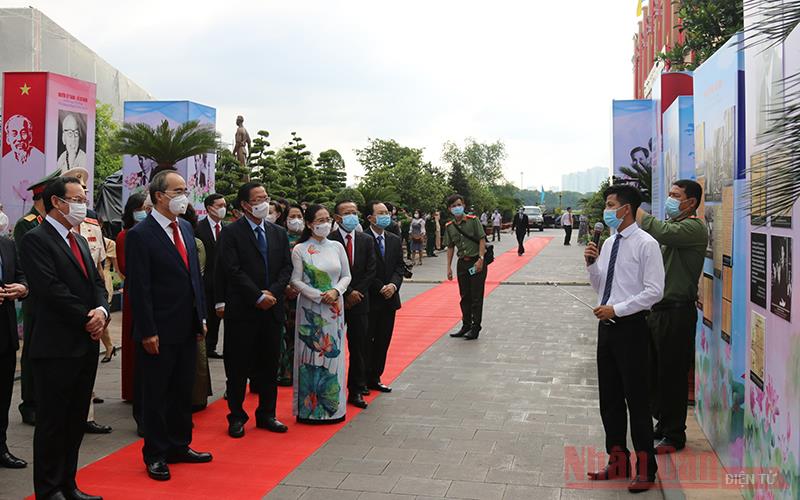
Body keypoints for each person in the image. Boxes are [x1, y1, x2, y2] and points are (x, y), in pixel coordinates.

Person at [20, 176, 108, 500]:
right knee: (53, 422)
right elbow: (50, 289)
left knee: (74, 421)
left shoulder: (80, 239)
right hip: (56, 346)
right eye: (78, 197)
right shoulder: (36, 239)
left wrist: (101, 310)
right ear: (57, 202)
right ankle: (48, 488)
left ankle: (68, 484)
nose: (83, 203)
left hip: (85, 344)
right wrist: (88, 318)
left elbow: (97, 283)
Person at [125, 170, 211, 481]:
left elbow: (194, 279)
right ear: (160, 196)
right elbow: (139, 288)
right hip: (158, 329)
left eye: (185, 189)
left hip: (187, 325)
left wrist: (201, 316)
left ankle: (179, 444)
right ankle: (156, 453)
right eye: (178, 190)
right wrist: (147, 330)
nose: (184, 195)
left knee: (181, 390)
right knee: (156, 393)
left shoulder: (187, 227)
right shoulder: (140, 234)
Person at [583, 184, 663, 493]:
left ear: (625, 209)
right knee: (611, 400)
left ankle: (646, 469)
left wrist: (617, 308)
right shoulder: (608, 242)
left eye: (609, 204)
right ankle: (617, 461)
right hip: (607, 329)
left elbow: (654, 291)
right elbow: (603, 285)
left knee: (637, 402)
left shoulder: (647, 244)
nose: (606, 210)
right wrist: (591, 266)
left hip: (632, 329)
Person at [215, 182, 293, 437]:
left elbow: (285, 267)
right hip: (243, 310)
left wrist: (273, 292)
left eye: (266, 197)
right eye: (258, 199)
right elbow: (231, 270)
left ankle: (267, 414)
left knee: (269, 365)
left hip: (272, 309)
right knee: (237, 366)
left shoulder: (278, 232)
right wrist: (257, 295)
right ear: (246, 205)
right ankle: (236, 416)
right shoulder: (231, 233)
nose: (264, 203)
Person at [636, 179, 707, 454]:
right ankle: (663, 424)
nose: (670, 199)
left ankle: (675, 434)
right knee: (655, 372)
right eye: (669, 194)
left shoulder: (693, 228)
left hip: (677, 313)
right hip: (659, 312)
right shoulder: (677, 228)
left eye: (676, 196)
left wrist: (635, 208)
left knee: (673, 375)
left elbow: (660, 230)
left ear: (690, 203)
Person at [290, 205, 351, 424]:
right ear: (309, 224)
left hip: (335, 307)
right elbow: (295, 280)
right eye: (320, 220)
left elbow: (346, 275)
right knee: (310, 353)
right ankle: (308, 409)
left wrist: (336, 291)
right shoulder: (300, 249)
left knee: (334, 352)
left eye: (328, 219)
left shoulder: (337, 247)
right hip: (311, 308)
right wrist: (317, 295)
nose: (325, 224)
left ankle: (334, 408)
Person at [12, 169, 61, 426]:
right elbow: (25, 262)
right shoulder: (27, 224)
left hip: (54, 298)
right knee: (32, 349)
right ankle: (29, 402)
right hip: (35, 297)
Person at [330, 200, 376, 409]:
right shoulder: (329, 240)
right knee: (332, 348)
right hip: (335, 302)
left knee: (359, 348)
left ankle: (356, 390)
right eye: (347, 213)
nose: (352, 216)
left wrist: (356, 293)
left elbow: (370, 270)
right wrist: (346, 293)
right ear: (338, 218)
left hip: (360, 302)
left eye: (354, 212)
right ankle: (332, 389)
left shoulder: (365, 240)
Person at [364, 201, 404, 393]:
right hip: (370, 299)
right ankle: (361, 378)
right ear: (370, 218)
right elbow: (362, 270)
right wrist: (380, 287)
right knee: (365, 340)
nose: (384, 216)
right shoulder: (362, 239)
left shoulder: (394, 239)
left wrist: (393, 285)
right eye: (380, 213)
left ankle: (376, 377)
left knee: (383, 340)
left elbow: (399, 266)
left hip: (390, 299)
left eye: (386, 212)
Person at [115, 193, 147, 428]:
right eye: (140, 207)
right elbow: (125, 267)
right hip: (133, 293)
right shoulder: (125, 235)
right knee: (133, 341)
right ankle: (132, 391)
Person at [179, 205, 212, 412]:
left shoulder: (194, 242)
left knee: (196, 356)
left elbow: (197, 276)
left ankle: (196, 398)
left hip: (192, 306)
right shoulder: (143, 234)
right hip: (169, 313)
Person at [0, 232, 28, 469]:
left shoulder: (7, 244)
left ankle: (1, 447)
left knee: (3, 395)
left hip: (4, 334)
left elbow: (21, 274)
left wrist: (22, 287)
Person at [444, 194, 487, 341]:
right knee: (464, 296)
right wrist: (448, 267)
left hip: (476, 262)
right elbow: (450, 247)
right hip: (462, 263)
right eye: (454, 206)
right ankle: (466, 325)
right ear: (449, 209)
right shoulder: (449, 227)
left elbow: (482, 239)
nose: (457, 208)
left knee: (476, 296)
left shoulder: (473, 221)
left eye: (459, 204)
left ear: (464, 205)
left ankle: (476, 328)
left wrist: (481, 259)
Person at [196, 194, 227, 359]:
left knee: (219, 316)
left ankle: (213, 346)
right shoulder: (198, 228)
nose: (223, 208)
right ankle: (205, 346)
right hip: (205, 280)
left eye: (224, 205)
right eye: (220, 205)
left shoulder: (227, 228)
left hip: (223, 281)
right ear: (209, 208)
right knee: (207, 314)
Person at [277, 204, 305, 386]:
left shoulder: (308, 240)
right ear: (285, 219)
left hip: (303, 295)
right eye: (292, 216)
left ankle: (297, 371)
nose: (296, 219)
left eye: (299, 216)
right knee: (283, 334)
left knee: (299, 333)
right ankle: (283, 371)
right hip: (283, 293)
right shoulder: (279, 238)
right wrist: (286, 286)